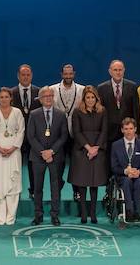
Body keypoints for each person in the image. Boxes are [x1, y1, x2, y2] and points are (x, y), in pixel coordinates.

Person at [27, 86, 69, 226]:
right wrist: (43, 152)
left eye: (51, 96)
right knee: (37, 187)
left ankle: (54, 215)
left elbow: (64, 136)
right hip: (37, 156)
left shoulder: (61, 114)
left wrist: (51, 151)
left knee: (55, 187)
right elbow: (31, 136)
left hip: (55, 156)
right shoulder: (34, 114)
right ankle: (38, 215)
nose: (48, 98)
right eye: (45, 96)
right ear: (40, 99)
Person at [69, 86, 109, 223]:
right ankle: (83, 213)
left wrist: (95, 148)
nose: (90, 100)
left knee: (94, 183)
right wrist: (88, 148)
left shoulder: (102, 111)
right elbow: (77, 132)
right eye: (88, 97)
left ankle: (93, 213)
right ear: (84, 99)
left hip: (97, 150)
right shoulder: (77, 112)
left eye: (93, 97)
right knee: (82, 183)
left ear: (96, 98)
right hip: (82, 150)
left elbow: (104, 131)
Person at [0, 87, 26, 225]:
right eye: (1, 97)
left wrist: (12, 148)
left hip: (13, 153)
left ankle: (10, 217)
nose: (4, 99)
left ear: (11, 98)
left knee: (12, 184)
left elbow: (21, 132)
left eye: (6, 97)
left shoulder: (17, 112)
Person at [51, 63, 86, 201]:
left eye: (70, 74)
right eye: (65, 74)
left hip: (75, 133)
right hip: (58, 134)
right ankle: (56, 191)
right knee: (57, 164)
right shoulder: (53, 89)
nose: (68, 76)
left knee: (76, 165)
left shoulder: (82, 90)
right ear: (61, 74)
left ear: (74, 74)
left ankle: (76, 191)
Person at [10, 64, 41, 199]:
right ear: (18, 76)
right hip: (16, 136)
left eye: (28, 75)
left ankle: (33, 190)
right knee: (14, 165)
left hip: (33, 136)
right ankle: (13, 190)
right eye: (23, 75)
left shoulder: (38, 92)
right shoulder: (11, 93)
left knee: (33, 165)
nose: (26, 77)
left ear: (32, 76)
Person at [111, 118, 140, 225]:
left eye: (131, 128)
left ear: (135, 129)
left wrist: (139, 172)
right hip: (122, 177)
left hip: (138, 176)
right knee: (127, 181)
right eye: (126, 129)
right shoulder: (116, 145)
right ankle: (129, 211)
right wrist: (125, 171)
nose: (128, 131)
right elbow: (114, 167)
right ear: (122, 130)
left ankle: (137, 211)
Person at [97, 59, 140, 147]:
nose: (118, 72)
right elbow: (100, 112)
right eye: (115, 70)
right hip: (109, 133)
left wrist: (137, 131)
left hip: (127, 131)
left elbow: (136, 110)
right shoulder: (101, 88)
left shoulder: (132, 87)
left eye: (120, 70)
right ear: (110, 72)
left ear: (124, 71)